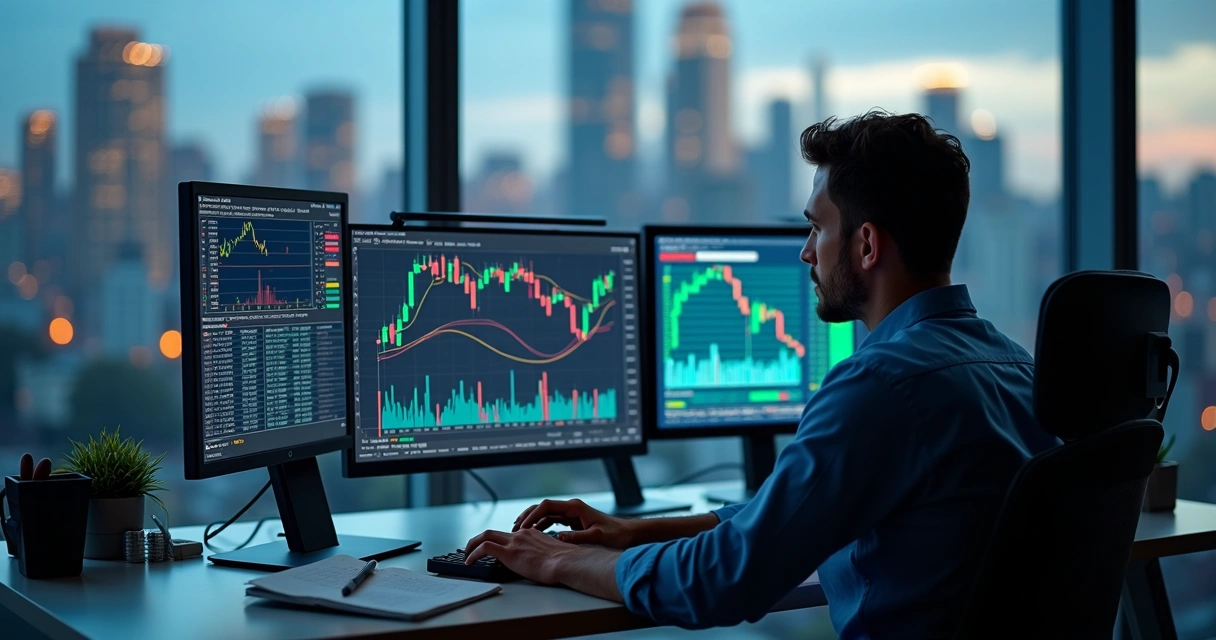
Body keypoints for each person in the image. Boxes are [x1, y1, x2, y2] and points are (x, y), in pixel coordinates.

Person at [463, 110, 1058, 638]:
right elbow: (794, 513)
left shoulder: (879, 386)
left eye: (816, 228)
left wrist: (553, 560)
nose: (806, 252)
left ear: (867, 245)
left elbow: (721, 581)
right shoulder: (1018, 370)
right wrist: (633, 532)